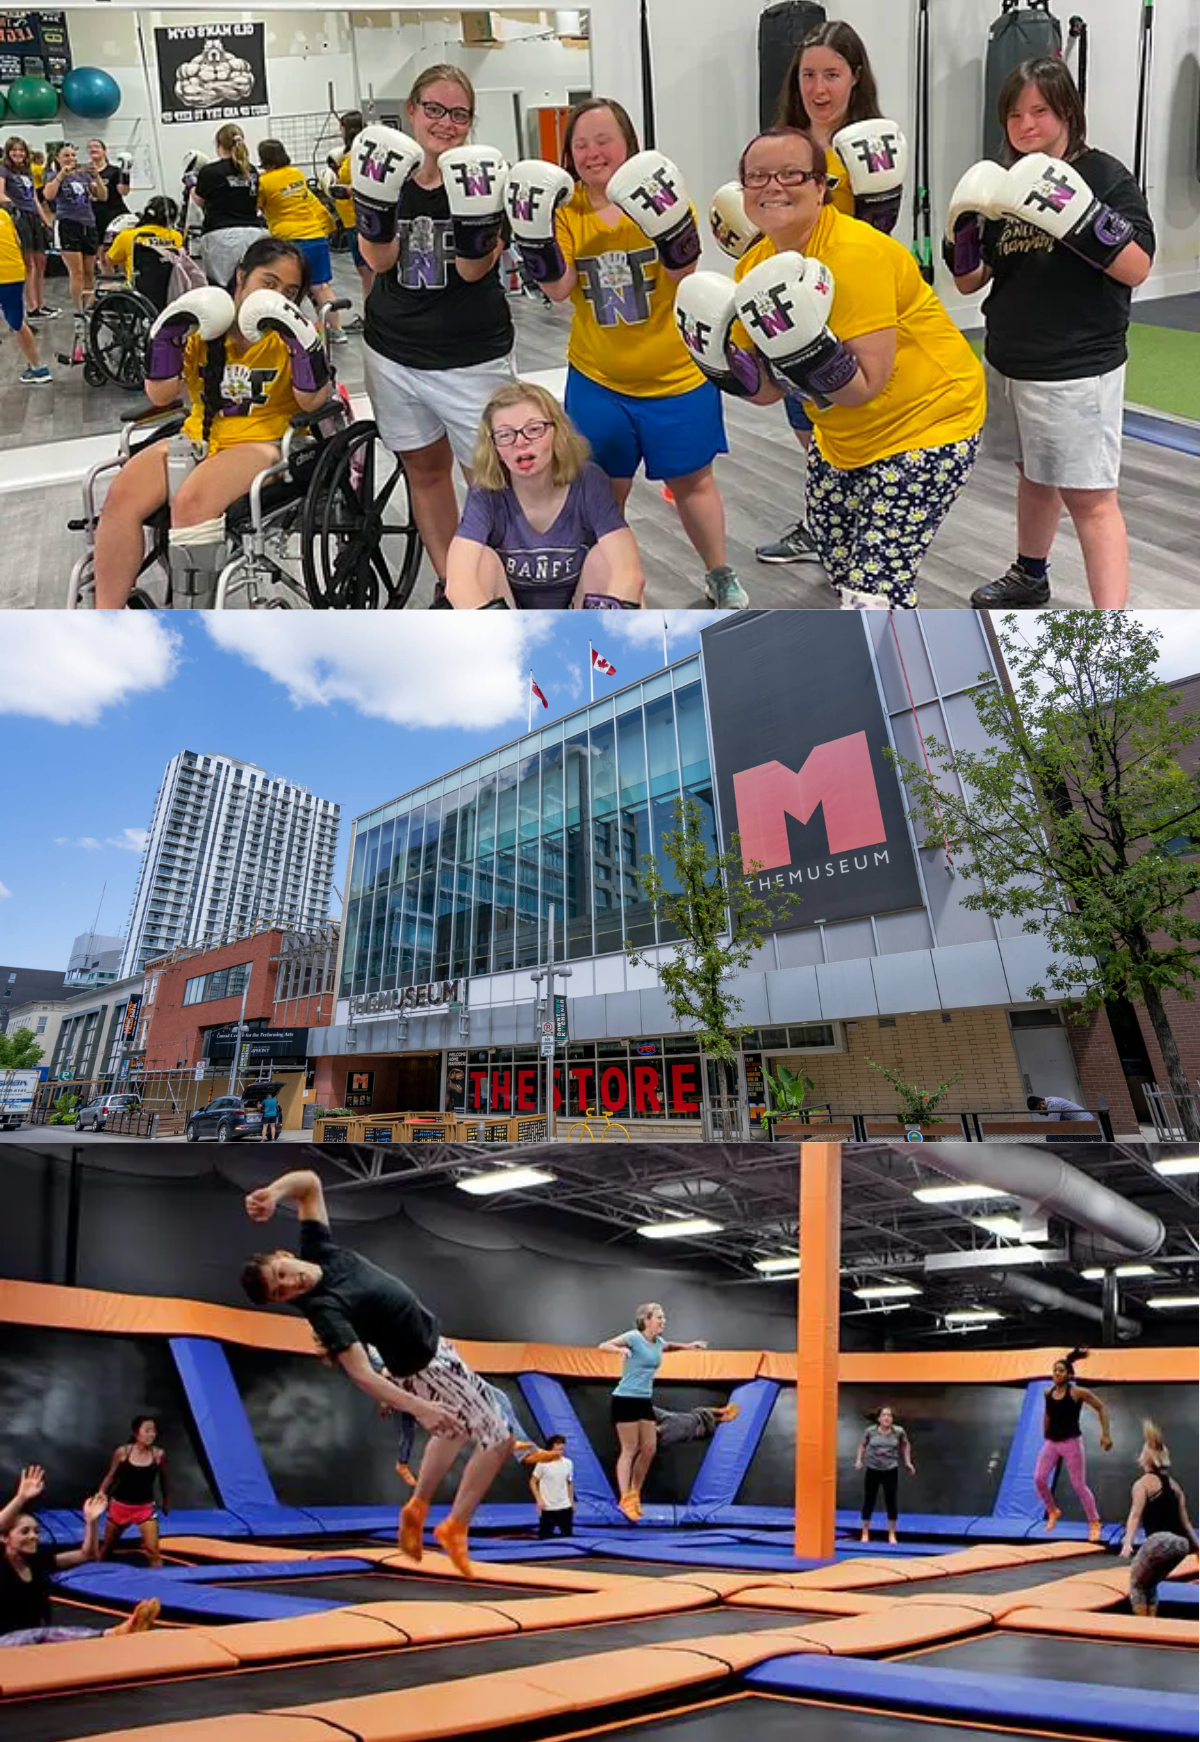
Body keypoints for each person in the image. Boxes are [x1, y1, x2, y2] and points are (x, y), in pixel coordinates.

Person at [688, 125, 983, 609]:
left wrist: (800, 353)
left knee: (874, 591)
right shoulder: (754, 268)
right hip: (844, 437)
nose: (773, 186)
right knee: (838, 558)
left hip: (929, 423)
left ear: (822, 187)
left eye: (791, 174)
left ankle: (894, 679)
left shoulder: (854, 254)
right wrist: (722, 367)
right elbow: (765, 392)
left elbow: (864, 385)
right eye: (757, 177)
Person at [506, 99, 746, 608]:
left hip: (677, 376)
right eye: (581, 144)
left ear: (628, 144)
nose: (593, 152)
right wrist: (534, 237)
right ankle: (605, 586)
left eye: (604, 140)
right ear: (568, 154)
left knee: (693, 484)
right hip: (600, 380)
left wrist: (668, 227)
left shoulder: (661, 196)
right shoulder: (566, 210)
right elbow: (557, 289)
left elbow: (686, 277)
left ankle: (719, 572)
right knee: (600, 492)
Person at [946, 58, 1154, 610]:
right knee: (1032, 475)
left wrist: (1081, 218)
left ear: (1067, 110)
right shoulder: (1003, 182)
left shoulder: (1104, 175)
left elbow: (1136, 267)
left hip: (1077, 365)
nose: (1026, 125)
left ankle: (1113, 626)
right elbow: (970, 281)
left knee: (1090, 498)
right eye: (1014, 113)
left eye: (1039, 110)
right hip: (1011, 357)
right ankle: (1030, 574)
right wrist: (961, 237)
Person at [240, 1168, 514, 1577]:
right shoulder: (324, 1310)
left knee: (452, 1430)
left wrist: (273, 1192)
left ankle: (417, 1508)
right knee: (500, 1439)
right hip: (428, 1363)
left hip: (431, 1353)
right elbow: (362, 1374)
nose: (291, 1283)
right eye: (283, 1292)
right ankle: (456, 1526)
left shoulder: (319, 1250)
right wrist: (418, 1406)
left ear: (283, 1255)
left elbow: (311, 1183)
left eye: (282, 1274)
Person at [92, 238, 332, 609]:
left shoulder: (293, 333)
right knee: (120, 497)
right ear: (240, 276)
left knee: (191, 502)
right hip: (199, 435)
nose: (277, 296)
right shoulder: (204, 325)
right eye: (268, 284)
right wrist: (167, 336)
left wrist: (300, 342)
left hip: (264, 443)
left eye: (290, 291)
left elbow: (314, 402)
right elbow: (160, 396)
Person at [350, 65, 514, 592]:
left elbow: (474, 269)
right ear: (414, 111)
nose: (446, 122)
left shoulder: (489, 177)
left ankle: (498, 586)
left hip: (472, 356)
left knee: (491, 481)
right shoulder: (387, 172)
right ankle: (454, 584)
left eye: (459, 114)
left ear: (470, 122)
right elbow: (377, 258)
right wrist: (375, 205)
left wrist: (478, 221)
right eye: (436, 110)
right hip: (394, 352)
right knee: (425, 471)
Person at [754, 19, 906, 567]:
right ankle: (826, 525)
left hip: (852, 306)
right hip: (795, 304)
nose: (819, 89)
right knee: (807, 423)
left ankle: (858, 529)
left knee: (854, 417)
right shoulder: (785, 145)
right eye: (808, 75)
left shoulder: (871, 146)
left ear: (855, 78)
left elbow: (874, 237)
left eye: (832, 75)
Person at [446, 381, 644, 608]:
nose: (520, 442)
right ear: (495, 449)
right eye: (505, 435)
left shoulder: (588, 480)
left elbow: (629, 573)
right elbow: (458, 583)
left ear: (556, 433)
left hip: (580, 612)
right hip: (510, 617)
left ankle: (596, 639)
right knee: (481, 562)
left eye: (534, 429)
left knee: (607, 560)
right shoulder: (487, 492)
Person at [0, 1465, 159, 1646]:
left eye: (36, 1531)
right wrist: (21, 1498)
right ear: (4, 1537)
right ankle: (113, 1633)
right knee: (45, 1635)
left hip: (28, 1643)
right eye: (25, 1532)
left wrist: (91, 1522)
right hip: (6, 1641)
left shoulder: (38, 1561)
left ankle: (117, 1632)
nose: (33, 1536)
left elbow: (87, 1555)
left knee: (52, 1635)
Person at [599, 1303, 708, 1523]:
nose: (663, 1321)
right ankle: (624, 1499)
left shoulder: (658, 1343)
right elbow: (603, 1345)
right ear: (646, 1320)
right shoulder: (633, 1337)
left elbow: (668, 1347)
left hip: (644, 1401)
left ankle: (635, 1493)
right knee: (630, 1449)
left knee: (649, 1448)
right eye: (659, 1317)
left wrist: (688, 1346)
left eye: (664, 1317)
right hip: (625, 1399)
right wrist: (619, 1350)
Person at [256, 139, 343, 344]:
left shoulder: (264, 183)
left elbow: (256, 207)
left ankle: (290, 333)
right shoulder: (296, 174)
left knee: (287, 288)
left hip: (290, 240)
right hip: (315, 237)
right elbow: (310, 202)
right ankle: (337, 331)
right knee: (321, 286)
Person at [1121, 1422, 1199, 1616]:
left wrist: (1127, 1542)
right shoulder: (1175, 1486)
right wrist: (1197, 1547)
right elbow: (1186, 1522)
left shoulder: (1142, 1484)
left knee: (1136, 1584)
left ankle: (1143, 1628)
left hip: (1159, 1540)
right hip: (1181, 1545)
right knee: (1150, 1583)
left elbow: (1135, 1515)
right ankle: (1154, 1625)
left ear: (1145, 1459)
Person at [1035, 1348, 1112, 1541]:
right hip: (1052, 1442)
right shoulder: (1048, 1393)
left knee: (1078, 1485)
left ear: (1069, 1374)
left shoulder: (1077, 1392)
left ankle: (1094, 1522)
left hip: (1071, 1442)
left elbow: (1101, 1407)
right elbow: (1048, 1414)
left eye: (1060, 1371)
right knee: (1039, 1479)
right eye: (1054, 1371)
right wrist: (1045, 1433)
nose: (1056, 1374)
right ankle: (1053, 1511)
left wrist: (1105, 1434)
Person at [42, 143, 106, 346]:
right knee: (76, 272)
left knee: (89, 271)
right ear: (58, 158)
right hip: (68, 224)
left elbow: (102, 196)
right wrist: (62, 174)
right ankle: (79, 311)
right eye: (66, 155)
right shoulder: (53, 175)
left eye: (72, 154)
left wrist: (96, 176)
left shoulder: (83, 175)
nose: (70, 158)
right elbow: (48, 195)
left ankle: (89, 308)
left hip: (88, 224)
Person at [191, 124, 265, 288]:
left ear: (218, 144)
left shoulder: (210, 171)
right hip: (254, 233)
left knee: (224, 288)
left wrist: (191, 186)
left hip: (222, 236)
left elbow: (199, 201)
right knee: (252, 284)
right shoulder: (251, 170)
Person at [97, 1416, 170, 1567]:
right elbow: (111, 1476)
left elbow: (164, 1479)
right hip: (120, 1507)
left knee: (153, 1552)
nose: (152, 1434)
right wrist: (101, 1493)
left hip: (145, 1508)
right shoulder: (123, 1452)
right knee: (107, 1549)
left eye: (154, 1431)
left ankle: (161, 1586)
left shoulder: (158, 1455)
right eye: (147, 1431)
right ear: (137, 1433)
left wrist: (166, 1500)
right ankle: (92, 1577)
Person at [2, 136, 54, 321]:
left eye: (21, 150)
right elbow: (0, 195)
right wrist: (14, 208)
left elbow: (33, 197)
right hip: (18, 217)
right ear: (8, 153)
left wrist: (45, 220)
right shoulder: (4, 170)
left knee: (41, 262)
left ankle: (41, 303)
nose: (18, 153)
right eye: (14, 150)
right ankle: (32, 307)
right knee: (29, 264)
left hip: (33, 216)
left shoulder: (27, 171)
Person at [0, 200, 50, 384]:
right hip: (15, 272)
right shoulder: (4, 215)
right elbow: (18, 242)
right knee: (17, 322)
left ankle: (38, 368)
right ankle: (38, 367)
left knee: (16, 322)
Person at [330, 109, 371, 320]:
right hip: (350, 220)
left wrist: (345, 190)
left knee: (368, 272)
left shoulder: (359, 152)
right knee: (364, 272)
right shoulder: (350, 153)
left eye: (341, 127)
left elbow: (366, 185)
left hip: (359, 219)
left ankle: (373, 316)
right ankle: (369, 315)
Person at [855, 1406, 916, 1545]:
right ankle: (865, 1532)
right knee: (869, 1500)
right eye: (884, 1415)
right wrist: (859, 1460)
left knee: (891, 1501)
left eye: (889, 1415)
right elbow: (862, 1445)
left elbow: (906, 1445)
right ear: (879, 1418)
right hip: (873, 1469)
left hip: (890, 1469)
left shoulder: (898, 1431)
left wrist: (907, 1461)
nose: (887, 1418)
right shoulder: (870, 1431)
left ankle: (892, 1533)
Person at [87, 139, 132, 270]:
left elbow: (124, 191)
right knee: (102, 254)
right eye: (90, 147)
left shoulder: (114, 171)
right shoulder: (86, 173)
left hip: (114, 214)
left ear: (104, 151)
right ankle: (109, 284)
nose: (93, 149)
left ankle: (128, 280)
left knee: (120, 250)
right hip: (96, 215)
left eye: (96, 146)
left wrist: (126, 173)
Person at [531, 1435, 576, 1539]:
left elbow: (569, 1483)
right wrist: (539, 1500)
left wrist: (572, 1502)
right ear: (551, 1446)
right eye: (557, 1444)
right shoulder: (542, 1463)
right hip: (548, 1508)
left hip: (565, 1507)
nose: (561, 1446)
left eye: (562, 1443)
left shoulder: (568, 1463)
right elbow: (532, 1482)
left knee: (568, 1538)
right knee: (544, 1538)